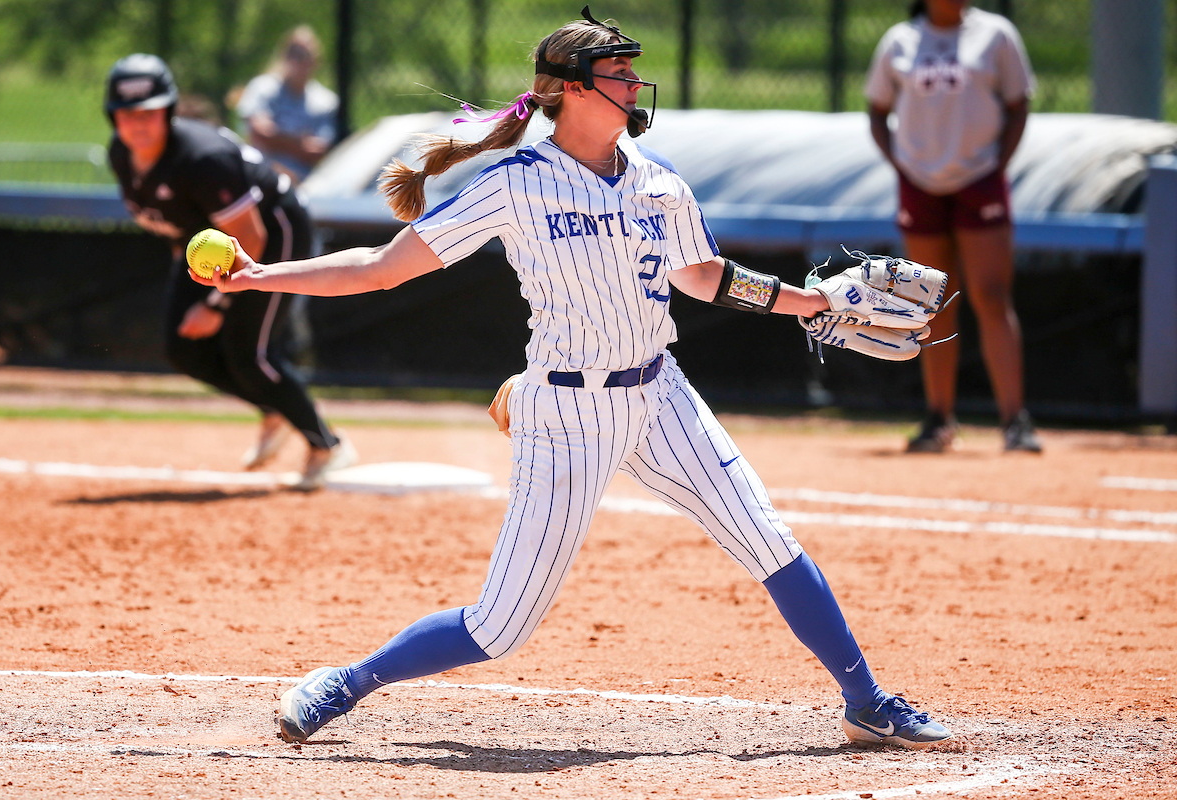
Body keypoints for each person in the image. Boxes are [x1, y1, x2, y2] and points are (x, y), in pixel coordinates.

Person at [193, 9, 953, 750]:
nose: (634, 85)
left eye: (632, 72)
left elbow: (705, 276)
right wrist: (261, 276)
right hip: (565, 413)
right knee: (499, 627)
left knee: (768, 539)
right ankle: (349, 682)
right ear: (568, 90)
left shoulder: (660, 183)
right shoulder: (519, 182)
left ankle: (867, 702)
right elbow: (381, 267)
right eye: (617, 74)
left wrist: (809, 301)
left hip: (661, 396)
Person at [104, 53, 355, 490]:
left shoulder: (203, 159)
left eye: (148, 111)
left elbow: (251, 237)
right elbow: (175, 219)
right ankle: (275, 407)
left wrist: (216, 305)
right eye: (127, 113)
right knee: (182, 347)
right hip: (205, 245)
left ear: (167, 111)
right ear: (113, 117)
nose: (137, 123)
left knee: (248, 354)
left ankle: (328, 445)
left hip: (271, 231)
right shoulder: (122, 156)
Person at [866, 0, 1042, 453]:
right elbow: (877, 109)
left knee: (991, 294)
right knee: (931, 301)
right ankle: (939, 416)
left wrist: (997, 166)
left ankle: (1014, 420)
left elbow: (1018, 104)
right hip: (920, 183)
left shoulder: (995, 34)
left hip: (980, 179)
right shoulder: (900, 40)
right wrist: (901, 165)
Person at [235, 26, 339, 183]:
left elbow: (318, 151)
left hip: (306, 184)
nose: (298, 60)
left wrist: (277, 137)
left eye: (304, 55)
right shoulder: (262, 87)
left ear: (316, 59)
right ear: (283, 56)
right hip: (263, 180)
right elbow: (259, 134)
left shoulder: (326, 100)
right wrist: (300, 142)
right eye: (293, 53)